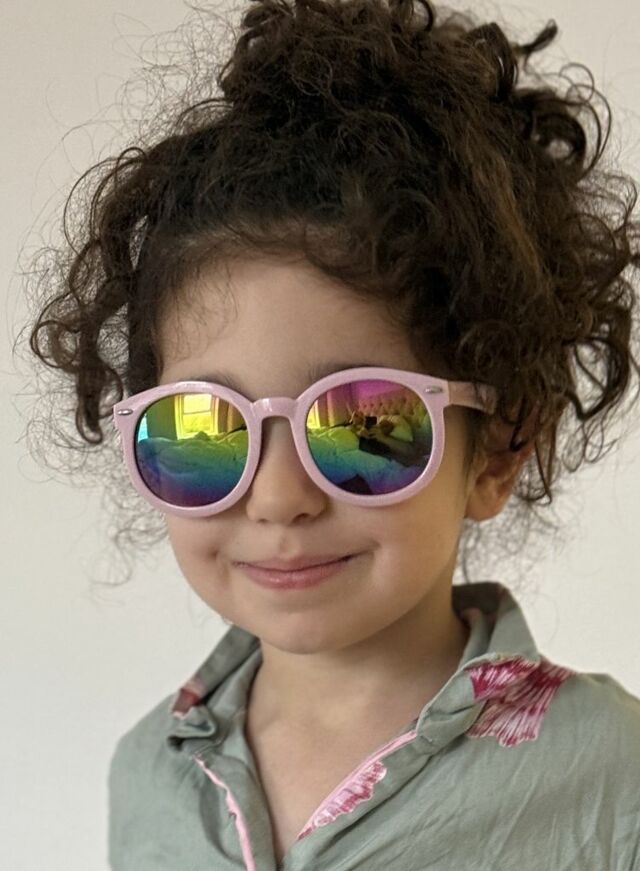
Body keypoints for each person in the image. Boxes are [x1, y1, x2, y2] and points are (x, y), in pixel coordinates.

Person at [21, 0, 640, 868]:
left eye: (364, 423)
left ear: (500, 448)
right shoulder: (148, 777)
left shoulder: (616, 775)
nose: (278, 497)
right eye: (202, 429)